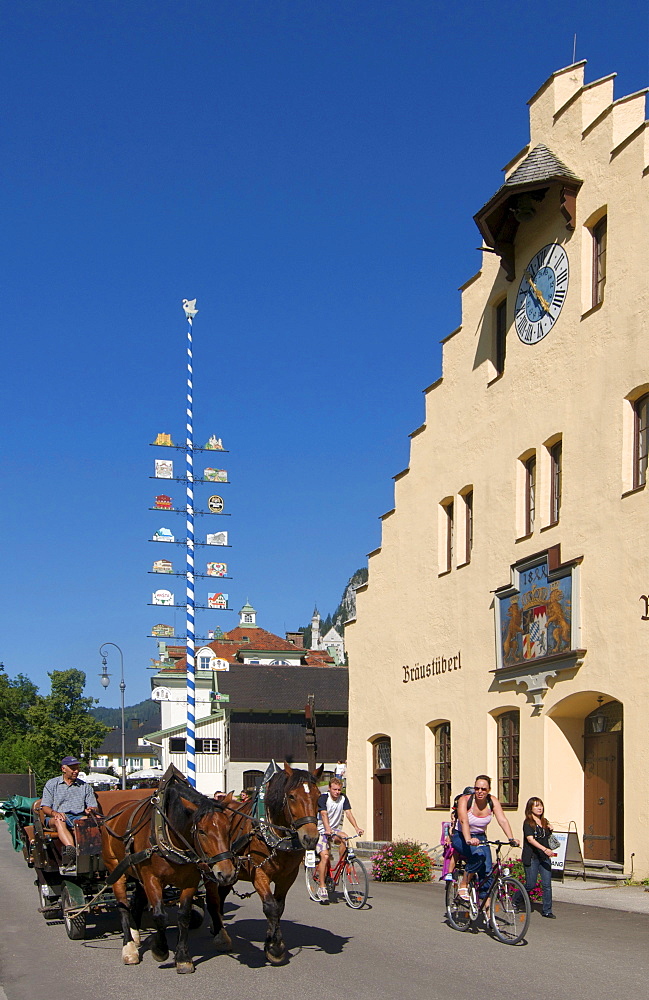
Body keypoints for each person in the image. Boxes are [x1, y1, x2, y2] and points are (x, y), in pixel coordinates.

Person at [451, 774, 519, 900]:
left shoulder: (492, 801)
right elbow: (463, 821)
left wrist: (511, 838)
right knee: (478, 855)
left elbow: (502, 820)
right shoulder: (465, 800)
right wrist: (468, 840)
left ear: (489, 790)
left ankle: (487, 911)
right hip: (461, 836)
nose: (480, 792)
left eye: (483, 789)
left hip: (480, 836)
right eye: (477, 788)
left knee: (487, 871)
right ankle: (463, 885)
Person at [40, 756, 98, 866]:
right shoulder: (52, 784)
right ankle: (72, 850)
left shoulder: (85, 787)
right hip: (55, 817)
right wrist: (55, 813)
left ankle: (93, 854)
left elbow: (94, 806)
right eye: (73, 768)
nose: (76, 771)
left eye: (77, 768)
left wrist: (91, 810)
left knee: (89, 821)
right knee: (59, 820)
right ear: (63, 769)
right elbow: (45, 807)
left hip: (77, 817)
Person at [316, 777, 363, 902]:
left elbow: (348, 813)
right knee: (325, 857)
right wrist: (327, 829)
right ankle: (322, 886)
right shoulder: (324, 798)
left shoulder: (343, 798)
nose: (337, 792)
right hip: (321, 830)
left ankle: (341, 865)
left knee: (345, 838)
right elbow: (323, 814)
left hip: (334, 830)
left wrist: (357, 828)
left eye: (339, 790)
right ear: (329, 789)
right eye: (334, 789)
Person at [522, 797, 557, 918]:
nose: (539, 808)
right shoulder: (528, 823)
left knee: (547, 885)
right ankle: (516, 899)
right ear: (530, 808)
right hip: (532, 857)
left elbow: (546, 837)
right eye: (536, 806)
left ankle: (547, 910)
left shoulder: (544, 821)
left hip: (544, 858)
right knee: (530, 884)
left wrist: (550, 828)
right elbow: (530, 840)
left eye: (540, 805)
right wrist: (545, 849)